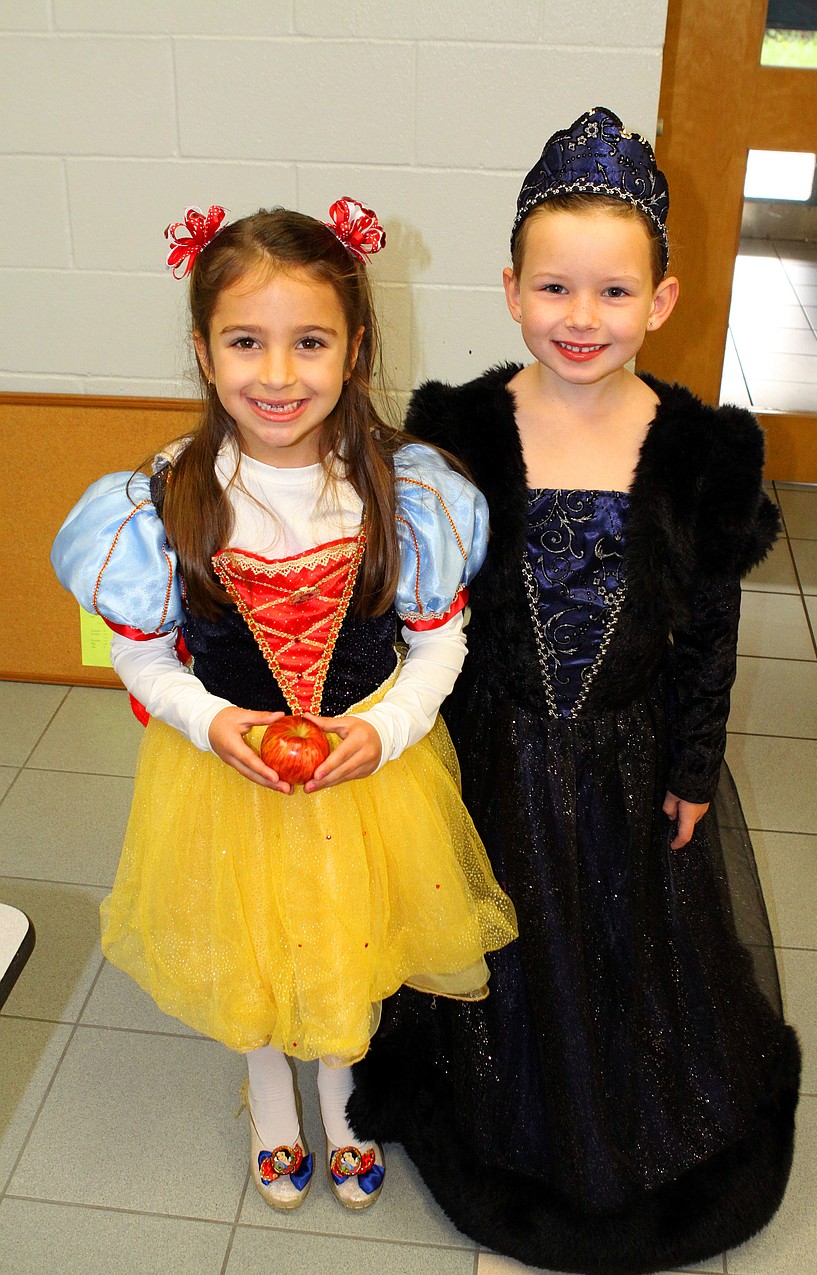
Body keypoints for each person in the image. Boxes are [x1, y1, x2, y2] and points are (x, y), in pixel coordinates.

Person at [349, 109, 801, 1271]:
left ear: (660, 299)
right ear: (510, 290)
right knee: (504, 949)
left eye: (612, 292)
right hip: (491, 757)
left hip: (630, 762)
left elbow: (707, 632)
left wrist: (694, 765)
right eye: (555, 288)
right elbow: (418, 607)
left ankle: (631, 1129)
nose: (580, 317)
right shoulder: (455, 435)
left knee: (630, 945)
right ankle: (496, 1117)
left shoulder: (701, 450)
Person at [51, 199, 517, 1214]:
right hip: (226, 777)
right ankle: (268, 1084)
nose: (276, 374)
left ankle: (342, 1090)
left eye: (309, 342)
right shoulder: (164, 501)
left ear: (355, 350)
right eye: (245, 342)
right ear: (203, 351)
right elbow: (138, 659)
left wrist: (381, 729)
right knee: (250, 938)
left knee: (350, 934)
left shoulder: (404, 493)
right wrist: (212, 721)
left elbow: (441, 645)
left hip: (366, 776)